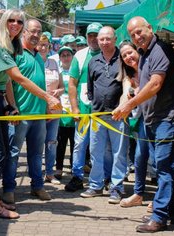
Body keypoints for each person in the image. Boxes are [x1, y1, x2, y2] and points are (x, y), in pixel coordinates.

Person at [0, 10, 61, 218]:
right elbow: (17, 77)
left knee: (1, 152)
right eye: (10, 20)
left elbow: (7, 81)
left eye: (19, 21)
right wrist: (47, 97)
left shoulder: (12, 46)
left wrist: (11, 105)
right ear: (3, 22)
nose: (15, 23)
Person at [112, 16, 174, 233]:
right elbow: (144, 85)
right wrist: (128, 98)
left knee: (163, 168)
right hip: (154, 119)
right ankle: (169, 210)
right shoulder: (144, 54)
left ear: (150, 28)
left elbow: (155, 84)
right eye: (133, 34)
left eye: (139, 32)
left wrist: (129, 105)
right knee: (163, 167)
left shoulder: (160, 50)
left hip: (168, 118)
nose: (137, 37)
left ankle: (160, 217)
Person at [2, 19, 61, 204]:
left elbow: (41, 83)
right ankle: (9, 189)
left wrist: (46, 110)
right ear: (24, 32)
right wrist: (13, 107)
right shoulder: (15, 51)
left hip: (39, 116)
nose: (36, 35)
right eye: (33, 31)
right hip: (20, 116)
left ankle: (37, 186)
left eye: (39, 32)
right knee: (13, 153)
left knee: (37, 154)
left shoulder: (37, 55)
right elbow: (8, 82)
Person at [81, 26, 129, 205]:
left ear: (115, 39)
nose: (104, 42)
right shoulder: (93, 61)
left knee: (118, 153)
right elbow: (91, 89)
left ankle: (116, 188)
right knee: (95, 151)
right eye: (101, 39)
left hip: (118, 115)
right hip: (97, 115)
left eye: (108, 38)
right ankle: (95, 185)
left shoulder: (123, 58)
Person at [64, 22, 102, 192]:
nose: (93, 39)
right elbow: (72, 84)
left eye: (96, 35)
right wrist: (74, 108)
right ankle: (77, 176)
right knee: (79, 144)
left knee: (99, 146)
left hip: (102, 110)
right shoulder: (79, 55)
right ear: (87, 37)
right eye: (90, 35)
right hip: (84, 110)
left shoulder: (108, 53)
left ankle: (99, 178)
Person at [117, 41, 153, 212]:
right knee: (139, 157)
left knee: (157, 159)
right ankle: (138, 194)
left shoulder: (149, 66)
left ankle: (159, 198)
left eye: (130, 52)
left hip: (157, 117)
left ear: (137, 51)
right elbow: (125, 94)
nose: (128, 57)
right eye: (124, 56)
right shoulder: (128, 75)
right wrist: (120, 108)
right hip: (142, 120)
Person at [36, 32, 64, 185]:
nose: (42, 48)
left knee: (52, 142)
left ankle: (50, 173)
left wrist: (57, 92)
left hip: (55, 110)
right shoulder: (33, 61)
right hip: (39, 109)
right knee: (38, 142)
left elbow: (62, 87)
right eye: (40, 45)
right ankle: (36, 172)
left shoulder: (54, 63)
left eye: (45, 45)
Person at [55, 46, 75, 180]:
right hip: (61, 111)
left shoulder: (76, 71)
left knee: (75, 142)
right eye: (63, 55)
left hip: (74, 111)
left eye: (68, 55)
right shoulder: (58, 72)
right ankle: (59, 168)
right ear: (60, 58)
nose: (66, 57)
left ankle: (74, 167)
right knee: (60, 142)